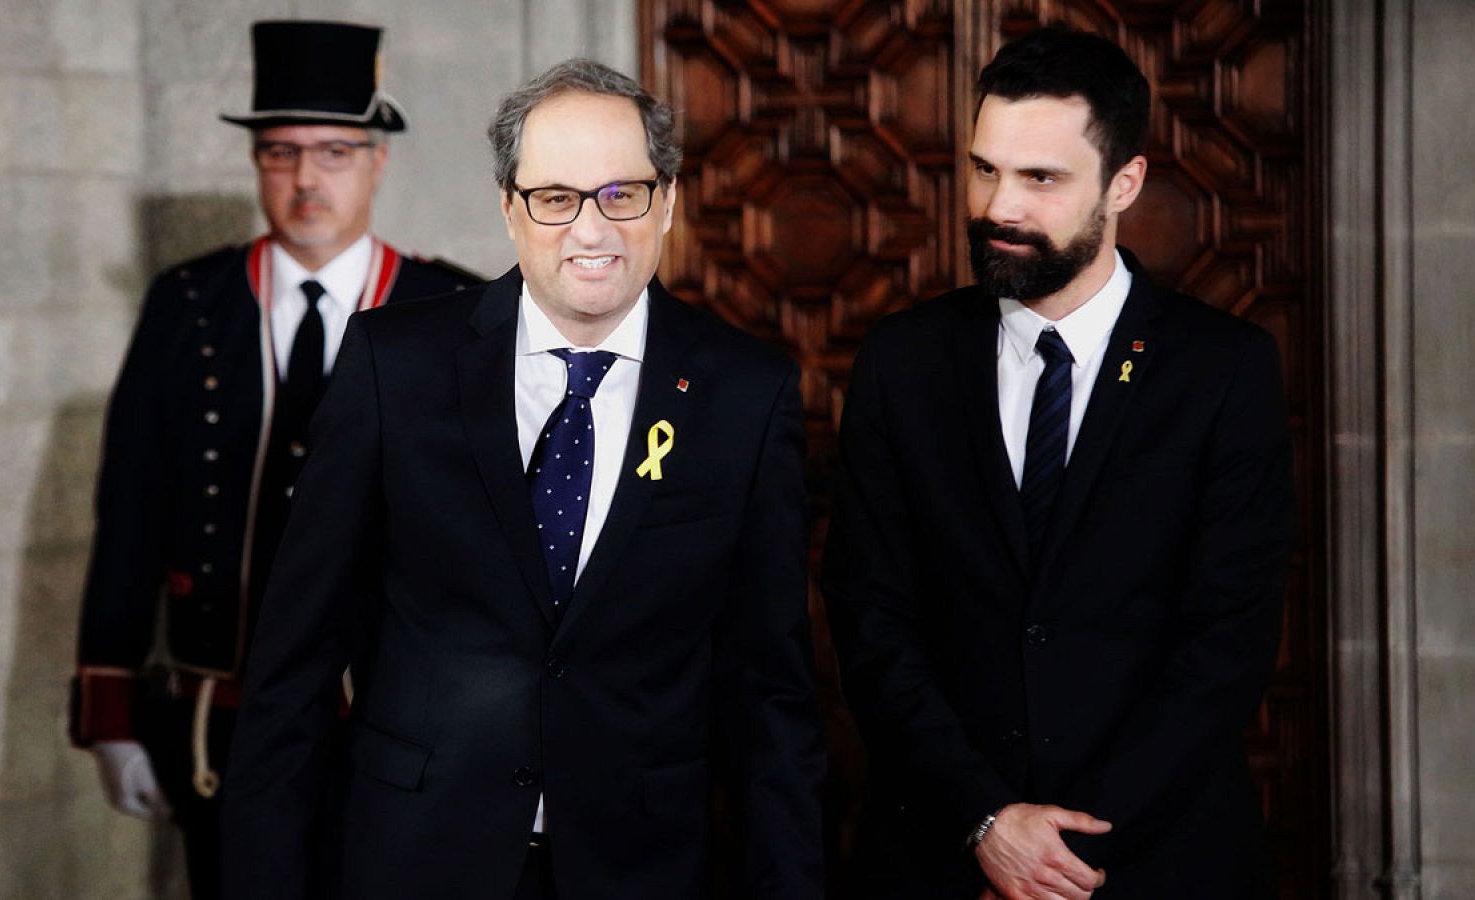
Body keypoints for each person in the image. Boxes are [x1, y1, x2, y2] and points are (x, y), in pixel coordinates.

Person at [218, 58, 825, 900]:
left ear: (669, 199)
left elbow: (769, 691)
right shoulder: (394, 367)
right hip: (414, 859)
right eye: (556, 198)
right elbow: (294, 664)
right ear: (510, 207)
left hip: (640, 868)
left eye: (623, 194)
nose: (592, 229)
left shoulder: (745, 394)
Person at [821, 24, 1294, 900]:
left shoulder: (1223, 370)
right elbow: (869, 616)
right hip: (938, 853)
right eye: (986, 168)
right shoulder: (901, 362)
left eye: (1041, 178)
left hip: (1156, 860)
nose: (1001, 206)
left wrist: (1056, 854)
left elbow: (1226, 642)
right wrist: (988, 824)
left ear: (1125, 183)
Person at [69, 19, 479, 899]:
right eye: (280, 152)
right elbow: (131, 512)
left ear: (379, 159)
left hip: (401, 726)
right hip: (225, 716)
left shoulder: (453, 309)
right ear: (256, 163)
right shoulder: (189, 305)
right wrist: (110, 708)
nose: (305, 180)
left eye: (334, 152)